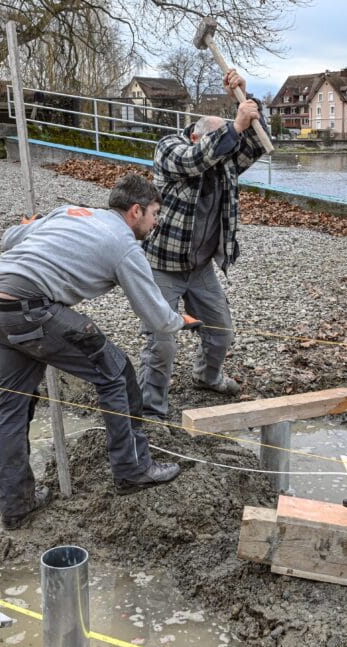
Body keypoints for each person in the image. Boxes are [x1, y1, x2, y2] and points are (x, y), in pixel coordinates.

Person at [0, 174, 198, 529]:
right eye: (155, 214)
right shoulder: (124, 245)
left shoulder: (71, 212)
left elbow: (10, 239)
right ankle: (133, 470)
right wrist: (181, 321)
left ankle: (16, 505)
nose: (157, 222)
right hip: (32, 309)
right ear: (135, 211)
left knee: (13, 404)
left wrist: (31, 225)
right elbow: (156, 317)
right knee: (116, 373)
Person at [138, 68, 268, 421]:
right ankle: (150, 409)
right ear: (196, 136)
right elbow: (195, 161)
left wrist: (244, 98)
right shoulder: (170, 149)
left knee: (221, 331)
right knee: (162, 341)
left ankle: (207, 377)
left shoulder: (224, 161)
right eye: (217, 143)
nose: (222, 151)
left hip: (200, 267)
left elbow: (256, 142)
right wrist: (235, 127)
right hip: (162, 265)